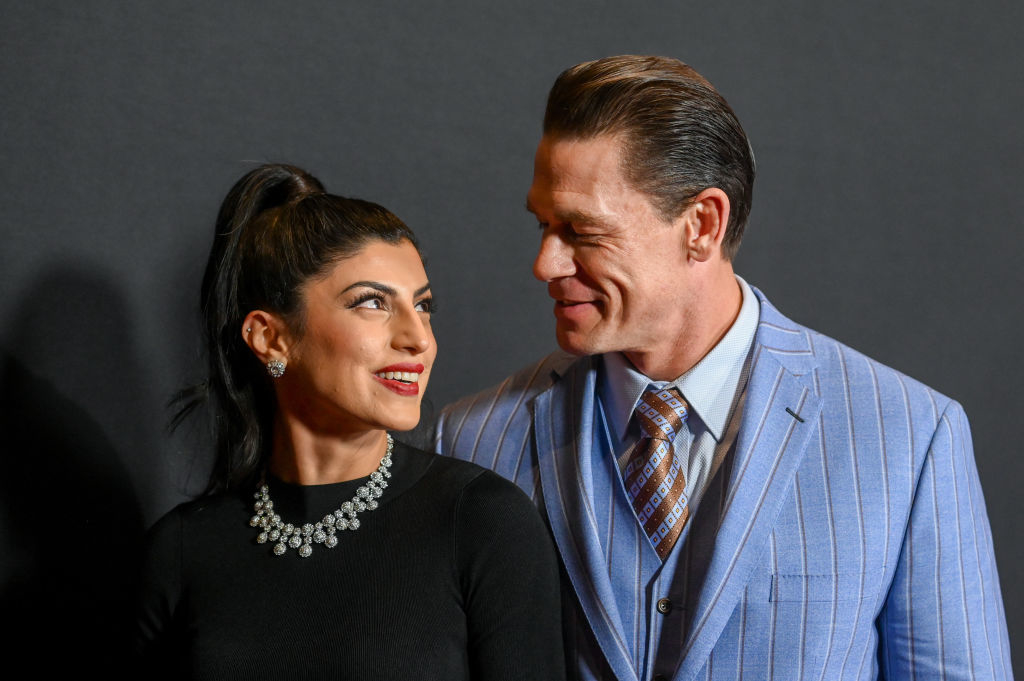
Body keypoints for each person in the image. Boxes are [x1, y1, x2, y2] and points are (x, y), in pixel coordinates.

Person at [435, 56, 1012, 680]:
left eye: (583, 232)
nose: (545, 264)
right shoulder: (471, 441)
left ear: (702, 225)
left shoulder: (910, 435)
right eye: (544, 226)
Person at [136, 163, 565, 680]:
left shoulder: (481, 523)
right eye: (372, 302)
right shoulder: (183, 550)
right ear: (271, 338)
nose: (418, 338)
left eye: (423, 306)